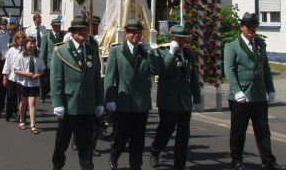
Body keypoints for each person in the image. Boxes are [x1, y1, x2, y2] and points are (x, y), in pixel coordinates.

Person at [224, 12, 286, 170]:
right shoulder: (232, 46)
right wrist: (237, 90)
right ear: (242, 27)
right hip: (241, 95)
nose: (251, 30)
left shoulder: (260, 44)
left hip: (258, 94)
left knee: (263, 131)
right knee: (239, 130)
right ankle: (237, 159)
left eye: (253, 27)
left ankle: (269, 162)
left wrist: (270, 89)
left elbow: (265, 68)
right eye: (248, 27)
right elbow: (229, 70)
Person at [105, 18, 159, 170]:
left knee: (138, 138)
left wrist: (151, 53)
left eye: (138, 33)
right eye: (132, 33)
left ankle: (136, 165)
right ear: (126, 35)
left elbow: (155, 71)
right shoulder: (117, 50)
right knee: (121, 136)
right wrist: (109, 99)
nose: (136, 36)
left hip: (141, 102)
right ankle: (114, 155)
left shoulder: (144, 51)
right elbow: (109, 77)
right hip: (123, 100)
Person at [51, 16, 104, 170]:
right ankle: (57, 166)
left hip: (87, 105)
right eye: (79, 30)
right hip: (68, 105)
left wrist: (100, 102)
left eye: (85, 29)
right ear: (72, 32)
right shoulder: (61, 50)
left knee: (86, 145)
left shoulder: (92, 51)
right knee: (62, 143)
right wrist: (58, 103)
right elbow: (57, 79)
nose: (83, 32)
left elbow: (96, 80)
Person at [149, 25, 201, 170]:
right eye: (179, 39)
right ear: (172, 39)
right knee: (165, 131)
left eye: (184, 40)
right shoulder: (162, 52)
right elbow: (161, 72)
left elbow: (193, 78)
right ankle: (155, 150)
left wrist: (197, 99)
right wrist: (171, 54)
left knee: (183, 137)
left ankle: (180, 165)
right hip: (168, 102)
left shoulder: (189, 54)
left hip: (184, 102)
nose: (182, 43)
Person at [13, 35, 45, 134]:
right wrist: (27, 74)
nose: (32, 45)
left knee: (32, 102)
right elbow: (16, 70)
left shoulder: (38, 57)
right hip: (24, 82)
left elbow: (41, 69)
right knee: (23, 101)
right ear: (26, 44)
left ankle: (33, 124)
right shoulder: (21, 56)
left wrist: (38, 75)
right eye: (30, 43)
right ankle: (22, 120)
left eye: (34, 43)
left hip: (34, 83)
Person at [40, 17, 65, 103]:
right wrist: (42, 64)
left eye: (59, 26)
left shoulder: (63, 36)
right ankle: (43, 93)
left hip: (60, 61)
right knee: (46, 81)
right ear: (53, 27)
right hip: (49, 62)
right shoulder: (47, 36)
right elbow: (43, 51)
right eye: (57, 26)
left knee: (58, 80)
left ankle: (57, 96)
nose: (59, 27)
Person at [0, 20, 18, 118]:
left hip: (15, 64)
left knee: (14, 90)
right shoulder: (2, 38)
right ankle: (0, 107)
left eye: (14, 30)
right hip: (4, 63)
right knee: (3, 88)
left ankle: (13, 110)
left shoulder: (18, 40)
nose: (11, 32)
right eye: (10, 30)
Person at [2, 30, 25, 122]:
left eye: (23, 38)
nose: (21, 40)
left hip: (23, 77)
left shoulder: (25, 50)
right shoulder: (12, 50)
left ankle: (21, 115)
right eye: (19, 38)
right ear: (16, 39)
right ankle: (9, 113)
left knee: (22, 98)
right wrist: (5, 77)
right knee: (11, 95)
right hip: (12, 76)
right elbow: (7, 64)